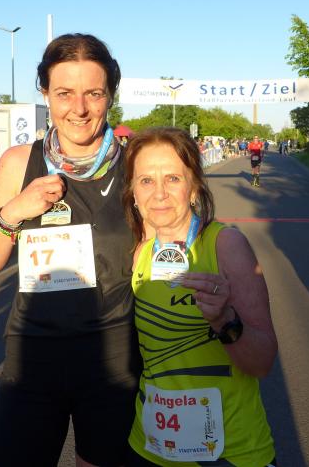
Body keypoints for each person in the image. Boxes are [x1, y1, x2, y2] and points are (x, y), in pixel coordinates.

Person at [0, 33, 141, 466]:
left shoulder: (136, 164)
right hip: (34, 355)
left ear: (110, 95)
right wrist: (14, 211)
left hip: (115, 356)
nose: (79, 108)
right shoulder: (18, 162)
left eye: (93, 93)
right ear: (45, 93)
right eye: (64, 93)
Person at [122, 127, 277, 466]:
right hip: (150, 446)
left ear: (193, 187)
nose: (159, 193)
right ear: (132, 191)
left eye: (173, 178)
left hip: (227, 452)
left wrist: (224, 321)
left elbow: (262, 363)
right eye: (146, 180)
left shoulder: (225, 245)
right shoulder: (141, 253)